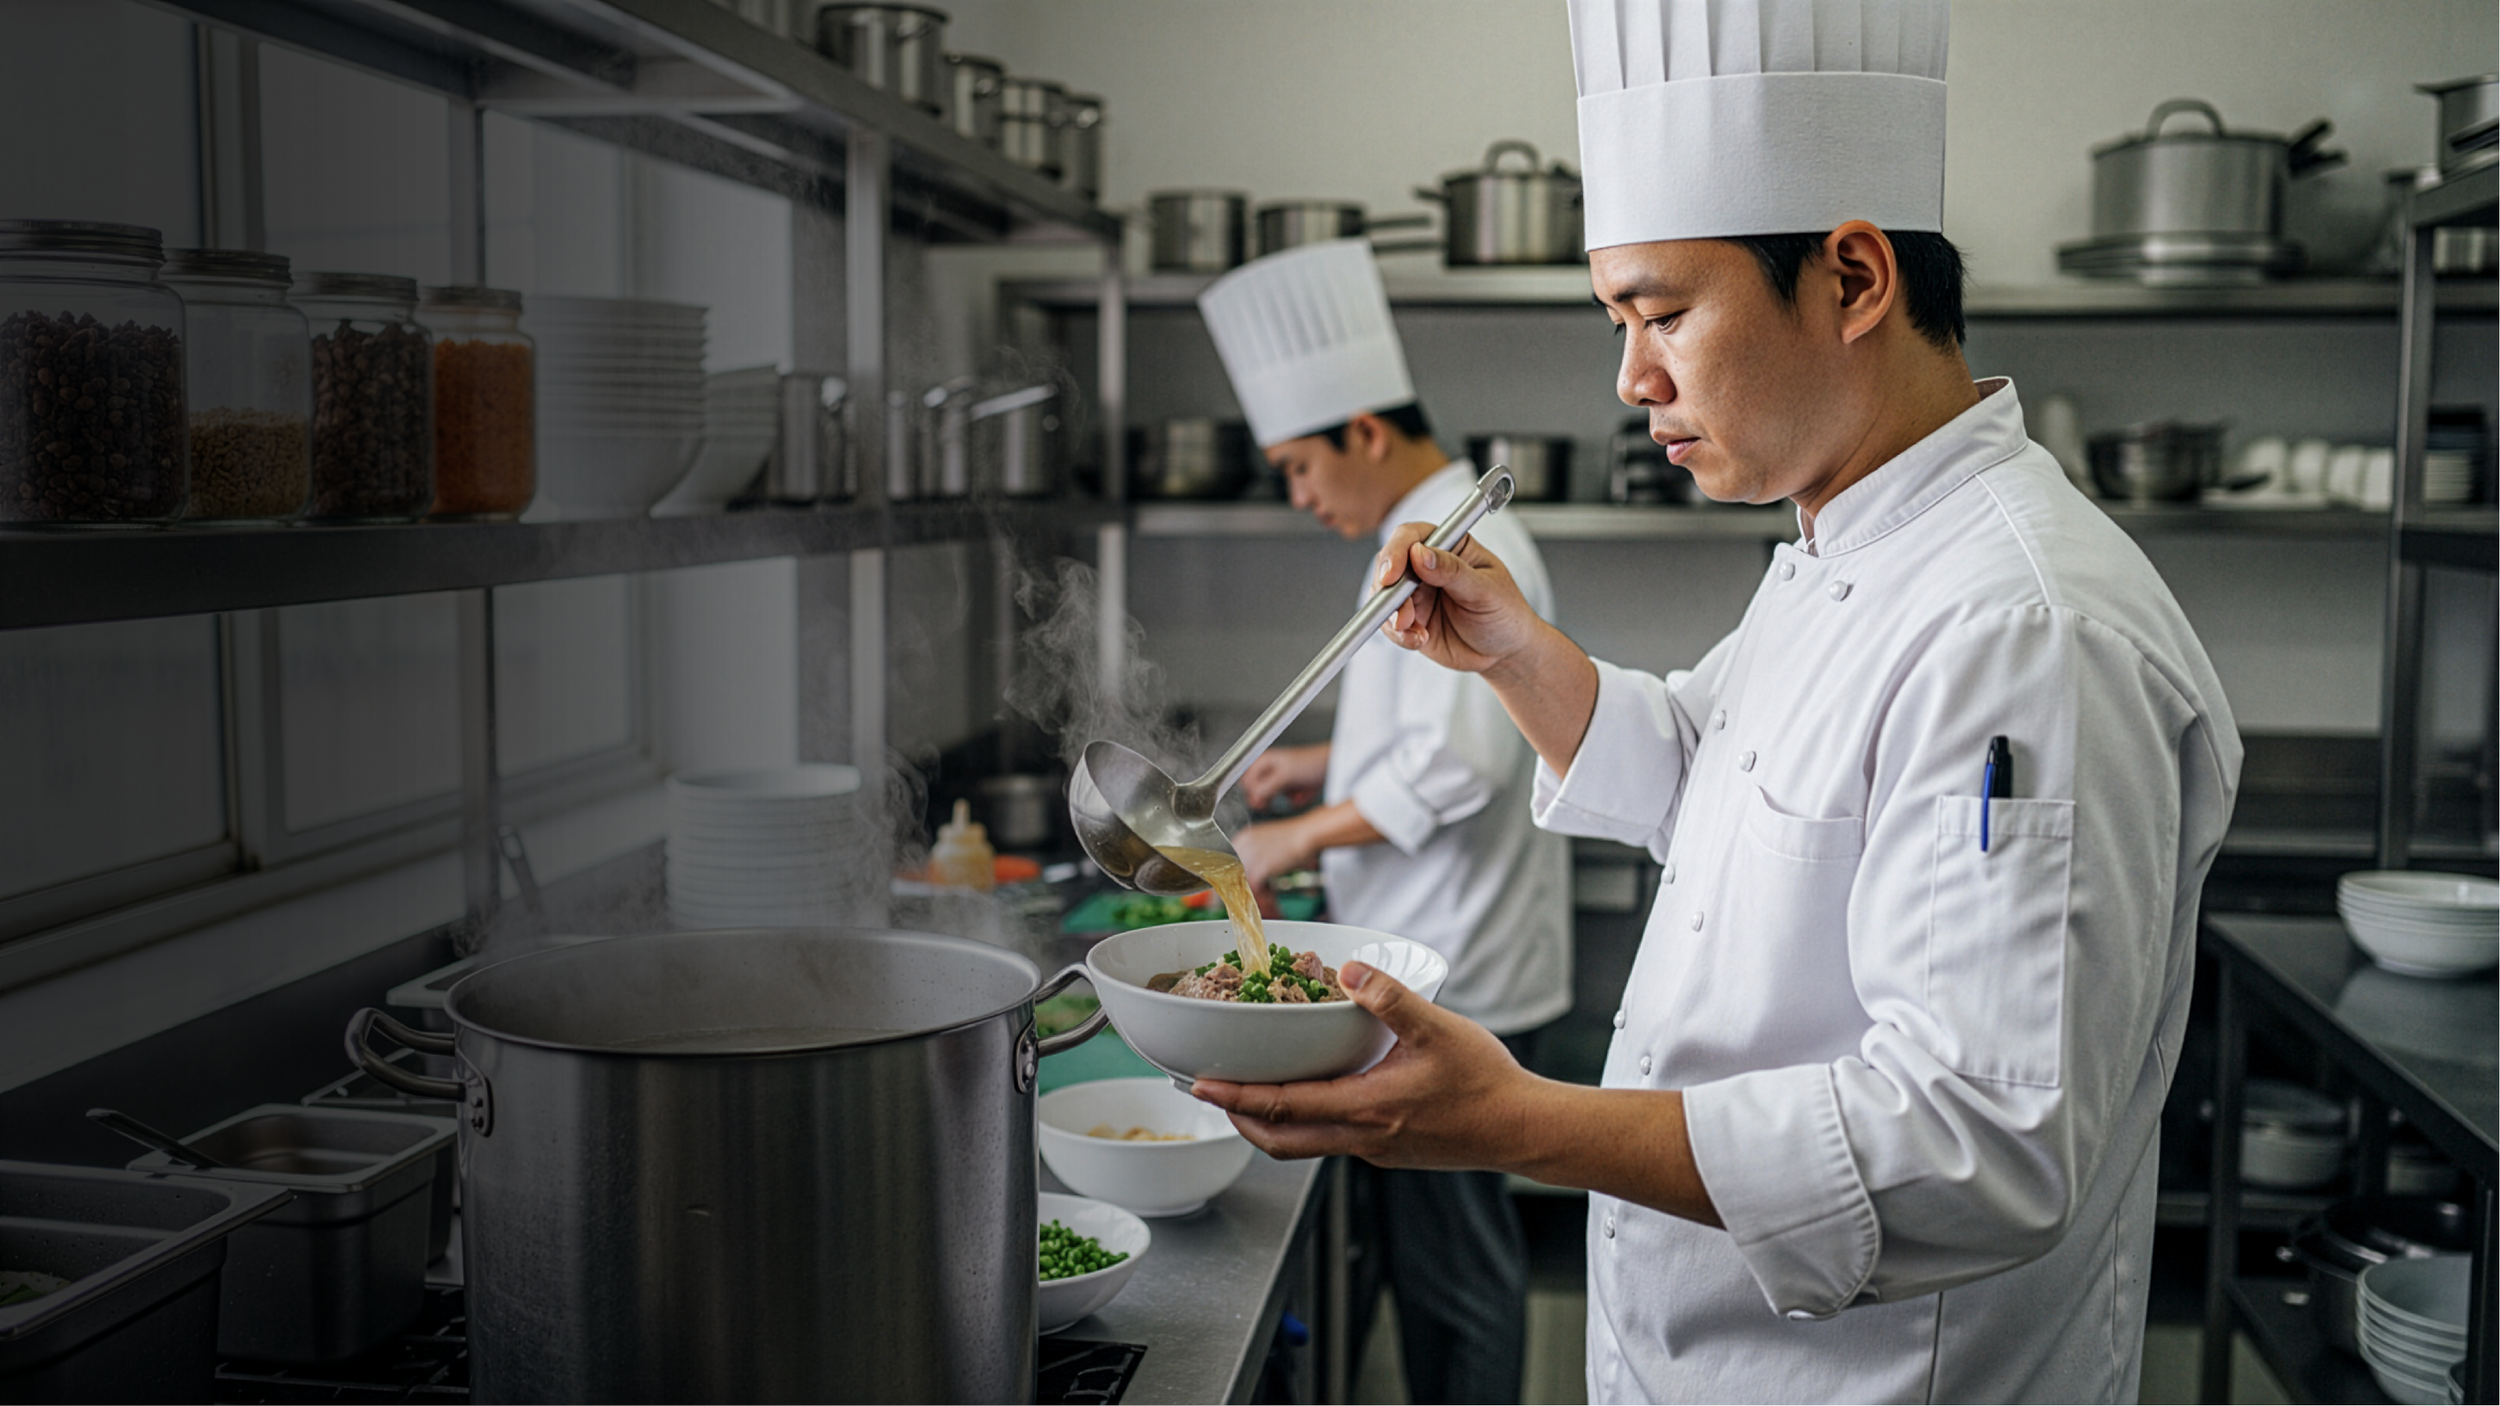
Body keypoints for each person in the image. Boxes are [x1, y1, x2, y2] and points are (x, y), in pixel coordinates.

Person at [1189, 2, 2245, 1402]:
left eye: (1664, 313)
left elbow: (1979, 1143)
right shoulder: (1846, 539)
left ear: (1853, 278)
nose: (1633, 379)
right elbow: (1706, 769)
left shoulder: (2024, 627)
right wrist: (1515, 652)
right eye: (1619, 322)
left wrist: (1516, 1119)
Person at [1194, 240, 1573, 1404]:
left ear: (1363, 431)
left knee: (1454, 1273)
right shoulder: (1411, 530)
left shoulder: (1448, 543)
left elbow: (1458, 766)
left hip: (1455, 966)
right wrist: (1319, 765)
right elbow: (1432, 729)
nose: (1298, 495)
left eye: (1299, 466)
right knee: (1429, 1255)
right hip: (1427, 948)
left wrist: (1296, 837)